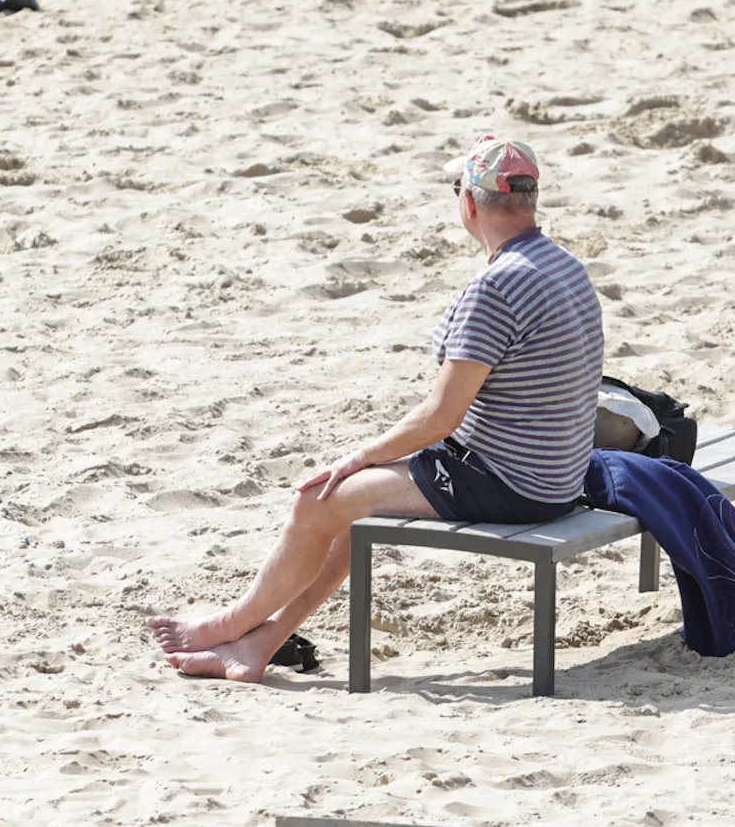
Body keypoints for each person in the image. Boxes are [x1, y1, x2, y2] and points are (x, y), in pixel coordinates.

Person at [146, 137, 602, 682]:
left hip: (513, 485)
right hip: (554, 476)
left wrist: (358, 457)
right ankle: (260, 642)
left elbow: (441, 417)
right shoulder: (564, 265)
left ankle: (225, 626)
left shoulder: (499, 287)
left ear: (470, 204)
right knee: (348, 505)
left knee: (319, 502)